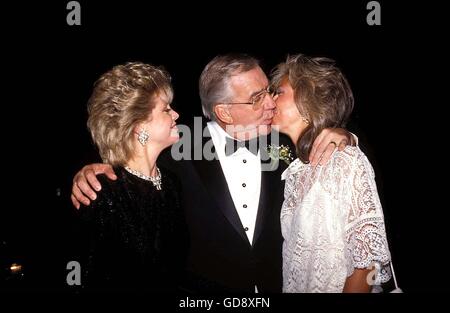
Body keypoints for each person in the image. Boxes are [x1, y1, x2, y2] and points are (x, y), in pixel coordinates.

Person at [71, 54, 353, 293]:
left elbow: (329, 152)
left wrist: (346, 135)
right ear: (224, 112)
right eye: (257, 98)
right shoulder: (176, 151)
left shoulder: (285, 142)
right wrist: (92, 168)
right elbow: (132, 159)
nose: (271, 103)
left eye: (268, 90)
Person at [271, 54, 391, 292]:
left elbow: (367, 264)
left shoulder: (344, 159)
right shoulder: (294, 171)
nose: (270, 99)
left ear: (307, 98)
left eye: (279, 92)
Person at [77, 62, 187, 291]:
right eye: (166, 109)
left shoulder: (172, 183)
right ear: (139, 127)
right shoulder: (102, 191)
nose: (176, 114)